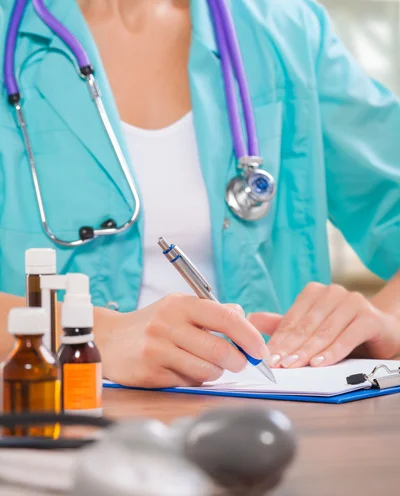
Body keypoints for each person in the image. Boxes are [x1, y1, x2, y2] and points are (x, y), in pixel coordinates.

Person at [0, 0, 399, 388]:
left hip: (268, 425)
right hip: (49, 422)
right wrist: (92, 333)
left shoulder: (288, 29)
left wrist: (386, 323)